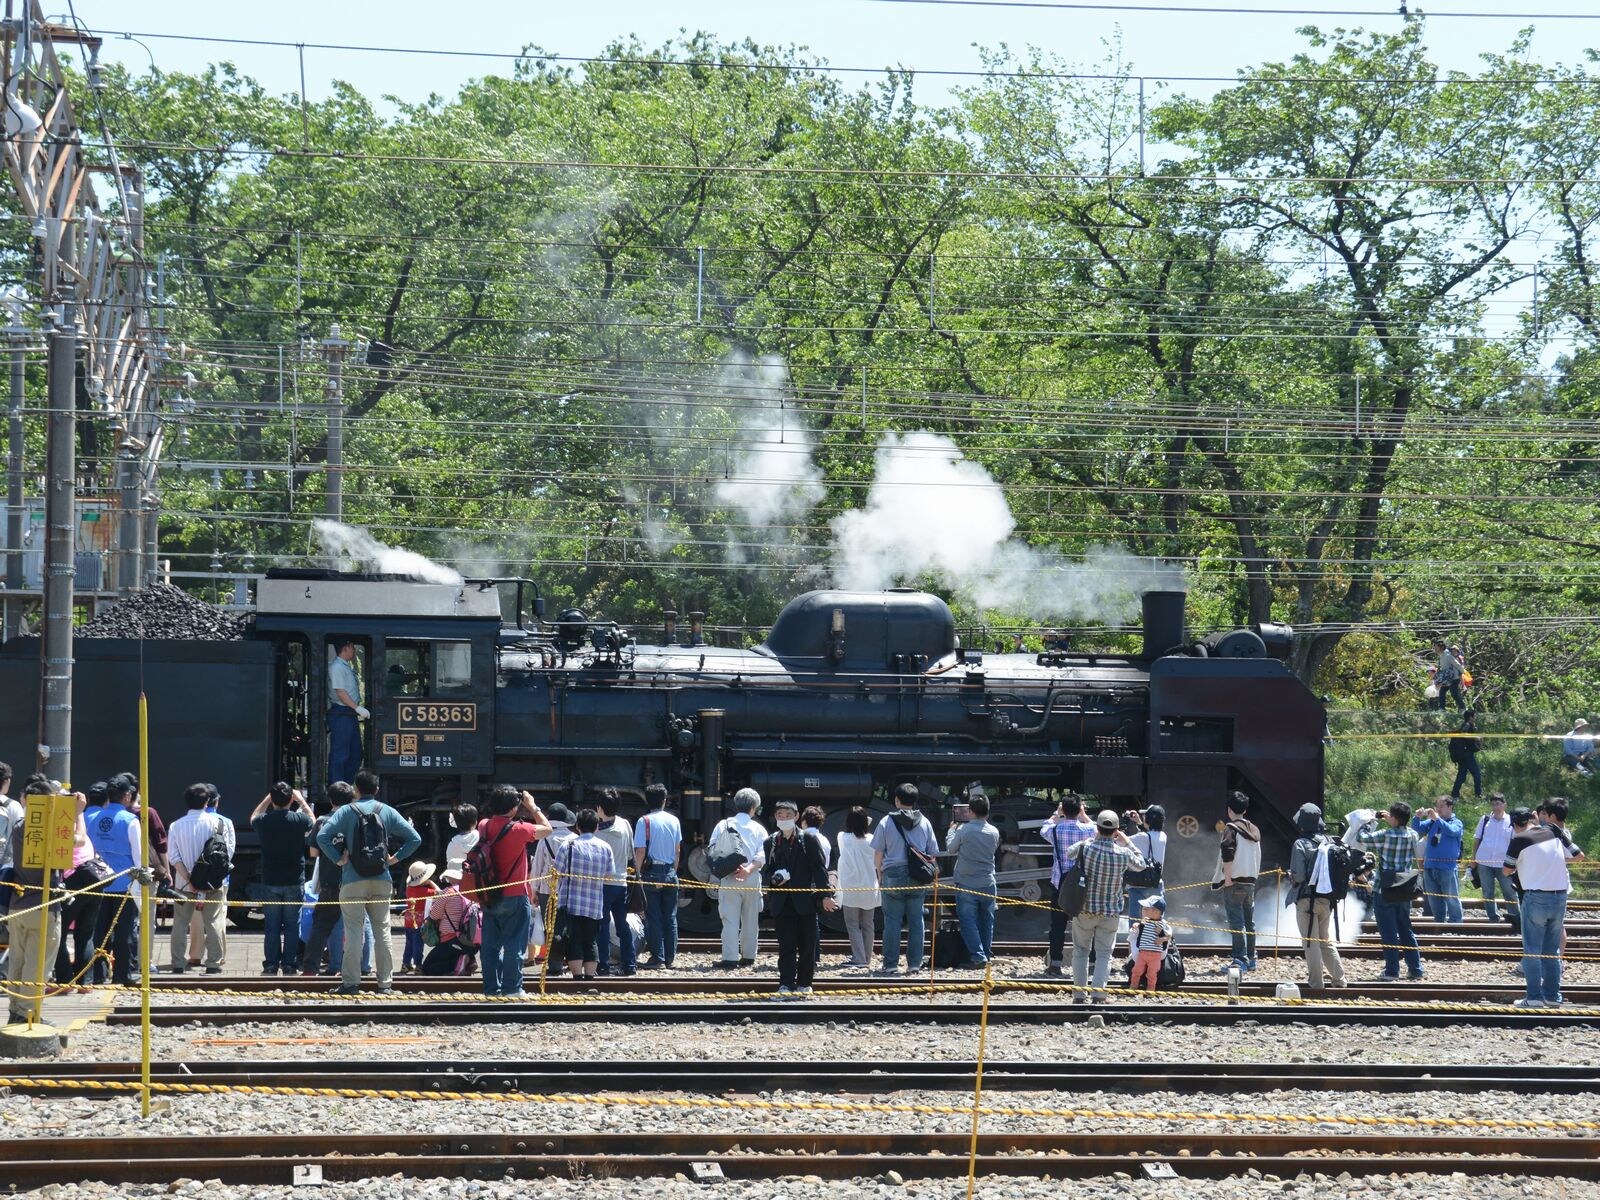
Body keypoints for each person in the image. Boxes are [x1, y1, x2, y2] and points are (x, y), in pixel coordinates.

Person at [314, 769, 421, 995]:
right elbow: (415, 838)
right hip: (381, 879)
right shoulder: (387, 811)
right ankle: (385, 985)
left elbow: (322, 837)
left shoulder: (346, 811)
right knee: (382, 931)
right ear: (377, 789)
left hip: (352, 880)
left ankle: (351, 983)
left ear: (355, 789)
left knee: (354, 932)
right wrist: (394, 858)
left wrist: (338, 859)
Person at [5, 781, 77, 1025]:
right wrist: (76, 814)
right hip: (44, 905)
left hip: (18, 902)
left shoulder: (19, 826)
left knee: (18, 959)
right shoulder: (53, 828)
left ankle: (16, 1010)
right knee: (38, 963)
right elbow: (77, 841)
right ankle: (28, 1013)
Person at [469, 785, 551, 998]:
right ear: (514, 808)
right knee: (515, 944)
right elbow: (547, 829)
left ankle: (491, 989)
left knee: (490, 946)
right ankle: (512, 988)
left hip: (489, 894)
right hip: (515, 895)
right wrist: (532, 806)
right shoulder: (520, 829)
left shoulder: (484, 825)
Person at [1504, 797, 1583, 1008]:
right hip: (1560, 896)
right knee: (1552, 950)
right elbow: (1578, 855)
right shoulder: (1556, 833)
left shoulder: (1520, 840)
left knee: (1532, 949)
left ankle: (1534, 997)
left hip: (1535, 896)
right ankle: (1552, 996)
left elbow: (1506, 870)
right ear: (1533, 817)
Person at [1064, 809, 1146, 1003]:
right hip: (1110, 912)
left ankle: (1078, 994)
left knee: (1080, 951)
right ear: (1116, 830)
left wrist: (1091, 838)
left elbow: (1069, 853)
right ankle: (1099, 995)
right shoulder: (1123, 853)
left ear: (1098, 828)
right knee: (1104, 954)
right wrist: (1127, 842)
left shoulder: (1086, 847)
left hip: (1084, 909)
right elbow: (1141, 864)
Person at [872, 783, 940, 976]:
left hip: (893, 874)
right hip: (917, 876)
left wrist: (880, 874)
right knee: (916, 921)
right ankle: (914, 965)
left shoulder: (886, 821)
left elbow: (878, 853)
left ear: (897, 800)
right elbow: (932, 853)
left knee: (892, 921)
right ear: (915, 801)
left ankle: (891, 964)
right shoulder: (925, 822)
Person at [167, 783, 235, 975]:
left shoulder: (175, 825)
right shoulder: (219, 824)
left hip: (183, 884)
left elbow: (174, 857)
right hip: (213, 883)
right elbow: (226, 854)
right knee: (212, 921)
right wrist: (207, 877)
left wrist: (189, 878)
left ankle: (178, 963)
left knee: (180, 922)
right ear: (207, 801)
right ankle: (213, 963)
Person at [763, 798, 829, 995]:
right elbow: (768, 869)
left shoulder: (807, 839)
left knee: (808, 945)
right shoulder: (771, 842)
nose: (783, 819)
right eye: (780, 815)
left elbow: (819, 869)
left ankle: (805, 983)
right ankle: (786, 983)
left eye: (788, 815)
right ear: (775, 817)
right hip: (782, 901)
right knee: (786, 945)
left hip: (805, 901)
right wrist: (774, 880)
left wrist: (826, 894)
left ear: (797, 817)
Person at [85, 774, 144, 985]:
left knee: (99, 931)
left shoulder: (92, 819)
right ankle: (123, 975)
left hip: (99, 883)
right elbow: (139, 857)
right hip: (124, 883)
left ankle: (98, 975)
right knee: (124, 932)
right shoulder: (130, 820)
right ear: (127, 796)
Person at [1357, 801, 1425, 982]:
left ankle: (1392, 971)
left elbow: (1362, 837)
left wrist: (1369, 821)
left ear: (1395, 818)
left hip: (1384, 888)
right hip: (1404, 888)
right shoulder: (1413, 834)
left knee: (1388, 932)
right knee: (1405, 929)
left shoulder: (1385, 835)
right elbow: (1403, 829)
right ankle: (1416, 969)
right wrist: (1391, 819)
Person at [250, 783, 314, 977]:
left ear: (273, 800)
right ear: (290, 800)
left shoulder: (264, 821)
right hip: (294, 879)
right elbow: (313, 819)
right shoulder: (299, 820)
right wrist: (301, 800)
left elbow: (253, 817)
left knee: (271, 925)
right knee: (292, 924)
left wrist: (267, 799)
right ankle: (289, 965)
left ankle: (270, 965)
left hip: (271, 879)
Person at [1286, 803, 1346, 991]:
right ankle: (1339, 979)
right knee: (1324, 941)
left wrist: (1291, 875)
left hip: (1306, 901)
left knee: (1310, 943)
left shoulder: (1300, 844)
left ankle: (1316, 985)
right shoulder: (1328, 841)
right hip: (1326, 900)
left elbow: (1300, 876)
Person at [300, 783, 354, 976]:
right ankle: (357, 967)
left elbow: (313, 852)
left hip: (330, 880)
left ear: (330, 799)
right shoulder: (354, 820)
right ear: (351, 799)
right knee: (356, 925)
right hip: (354, 881)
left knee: (321, 924)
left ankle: (310, 968)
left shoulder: (322, 821)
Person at [712, 788, 767, 968]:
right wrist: (748, 869)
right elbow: (764, 854)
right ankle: (749, 956)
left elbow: (714, 850)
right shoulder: (759, 828)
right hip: (751, 877)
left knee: (729, 918)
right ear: (754, 807)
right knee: (751, 919)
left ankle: (730, 958)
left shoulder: (723, 824)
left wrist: (732, 866)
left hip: (729, 877)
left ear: (736, 804)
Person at [1040, 797, 1097, 975]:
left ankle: (1055, 964)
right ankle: (1093, 963)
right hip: (1082, 884)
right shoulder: (1089, 829)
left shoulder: (1055, 830)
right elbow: (1097, 828)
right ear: (1079, 809)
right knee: (1088, 924)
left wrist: (1058, 814)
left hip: (1060, 882)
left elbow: (1044, 828)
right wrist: (1084, 814)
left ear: (1064, 810)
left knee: (1057, 925)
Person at [558, 807, 614, 980]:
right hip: (594, 903)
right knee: (591, 940)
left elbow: (557, 871)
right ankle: (590, 977)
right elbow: (609, 874)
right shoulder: (605, 847)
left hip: (571, 902)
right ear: (597, 827)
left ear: (577, 827)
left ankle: (577, 978)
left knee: (574, 939)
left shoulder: (568, 845)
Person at [946, 792, 1000, 968]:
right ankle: (986, 953)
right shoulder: (994, 831)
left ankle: (978, 957)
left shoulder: (964, 830)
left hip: (967, 883)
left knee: (968, 921)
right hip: (988, 882)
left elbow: (951, 849)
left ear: (970, 811)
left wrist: (950, 831)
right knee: (987, 921)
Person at [632, 784, 682, 970]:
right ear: (664, 800)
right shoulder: (674, 821)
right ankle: (670, 957)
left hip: (651, 874)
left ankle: (657, 958)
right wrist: (673, 872)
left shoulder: (643, 821)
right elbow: (677, 851)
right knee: (671, 916)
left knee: (653, 916)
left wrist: (637, 876)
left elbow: (640, 851)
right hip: (670, 872)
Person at [1212, 792, 1262, 972]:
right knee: (1249, 922)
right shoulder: (1254, 830)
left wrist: (1227, 879)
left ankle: (1239, 960)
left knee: (1236, 923)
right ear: (1245, 810)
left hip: (1234, 882)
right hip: (1250, 882)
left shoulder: (1230, 829)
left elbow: (1227, 851)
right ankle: (1251, 958)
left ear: (1229, 810)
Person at [590, 789, 636, 977]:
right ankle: (630, 964)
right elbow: (631, 853)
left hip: (603, 884)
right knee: (621, 924)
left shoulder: (598, 833)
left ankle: (603, 964)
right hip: (622, 882)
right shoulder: (625, 824)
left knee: (602, 925)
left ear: (600, 808)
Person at [530, 802, 576, 970]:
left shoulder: (545, 839)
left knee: (550, 928)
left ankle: (554, 964)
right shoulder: (574, 839)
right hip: (569, 890)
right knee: (569, 926)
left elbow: (537, 867)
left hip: (547, 889)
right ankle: (572, 963)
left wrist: (534, 890)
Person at [835, 807, 880, 969]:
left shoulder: (843, 838)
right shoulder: (872, 839)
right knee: (868, 924)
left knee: (853, 924)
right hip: (869, 887)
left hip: (851, 889)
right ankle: (866, 958)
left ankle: (859, 958)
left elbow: (851, 831)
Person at [1412, 796, 1465, 924]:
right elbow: (1417, 828)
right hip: (1430, 865)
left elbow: (1451, 831)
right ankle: (1439, 921)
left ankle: (1456, 922)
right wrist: (1417, 816)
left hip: (1447, 867)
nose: (1438, 809)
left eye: (1441, 806)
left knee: (1451, 897)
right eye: (1437, 806)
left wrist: (1437, 819)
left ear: (1450, 807)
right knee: (1433, 897)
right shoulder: (1432, 822)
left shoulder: (1456, 822)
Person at [420, 866, 478, 977]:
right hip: (472, 940)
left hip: (451, 940)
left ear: (449, 877)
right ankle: (469, 959)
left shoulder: (448, 892)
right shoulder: (471, 891)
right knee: (451, 953)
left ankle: (457, 964)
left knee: (427, 967)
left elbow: (434, 916)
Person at [1470, 793, 1517, 924]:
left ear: (1504, 805)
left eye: (1498, 804)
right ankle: (1493, 918)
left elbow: (1515, 841)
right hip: (1484, 861)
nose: (1496, 807)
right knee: (1487, 892)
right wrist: (1473, 858)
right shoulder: (1485, 819)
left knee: (1509, 891)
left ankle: (1515, 917)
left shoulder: (1511, 821)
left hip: (1504, 863)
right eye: (1493, 804)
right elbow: (1477, 838)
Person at [327, 639, 368, 785]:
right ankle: (336, 787)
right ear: (345, 648)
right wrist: (357, 708)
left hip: (349, 713)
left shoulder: (345, 666)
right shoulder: (337, 667)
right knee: (340, 754)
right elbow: (340, 692)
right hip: (342, 712)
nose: (354, 650)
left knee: (356, 754)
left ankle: (346, 784)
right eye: (352, 647)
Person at [1127, 895, 1171, 994]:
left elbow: (1169, 936)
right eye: (1144, 909)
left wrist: (1162, 938)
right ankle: (1133, 985)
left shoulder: (1163, 924)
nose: (1144, 910)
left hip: (1156, 955)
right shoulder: (1145, 921)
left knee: (1152, 973)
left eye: (1147, 909)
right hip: (1143, 953)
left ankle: (1151, 988)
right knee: (1137, 970)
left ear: (1156, 912)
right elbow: (1140, 927)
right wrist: (1137, 925)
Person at [402, 860, 438, 974]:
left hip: (408, 921)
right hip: (419, 923)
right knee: (418, 944)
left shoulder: (409, 889)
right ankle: (418, 965)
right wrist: (431, 882)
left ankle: (405, 964)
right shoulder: (426, 891)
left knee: (409, 943)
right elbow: (440, 892)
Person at [1447, 711, 1483, 800]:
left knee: (1461, 776)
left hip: (1463, 755)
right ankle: (1478, 795)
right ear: (1470, 717)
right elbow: (1463, 734)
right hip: (1466, 755)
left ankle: (1455, 795)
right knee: (1477, 774)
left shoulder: (1467, 725)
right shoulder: (1466, 725)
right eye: (1474, 716)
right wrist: (1476, 737)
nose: (1475, 718)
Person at [1432, 639, 1465, 712]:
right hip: (1447, 679)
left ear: (1441, 647)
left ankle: (1463, 708)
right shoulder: (1442, 655)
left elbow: (1456, 664)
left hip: (1454, 678)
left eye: (1435, 646)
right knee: (1442, 692)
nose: (1434, 648)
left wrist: (1463, 672)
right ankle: (1442, 709)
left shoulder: (1447, 655)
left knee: (1454, 693)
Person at [444, 803, 479, 871]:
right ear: (475, 822)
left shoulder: (452, 845)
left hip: (459, 880)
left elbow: (450, 868)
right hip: (478, 879)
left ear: (456, 823)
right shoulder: (480, 838)